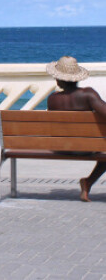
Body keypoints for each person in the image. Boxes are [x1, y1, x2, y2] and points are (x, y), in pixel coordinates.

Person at [46, 56, 106, 202]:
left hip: (60, 147)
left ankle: (87, 183)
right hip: (86, 148)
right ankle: (88, 182)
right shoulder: (88, 94)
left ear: (59, 79)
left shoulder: (52, 99)